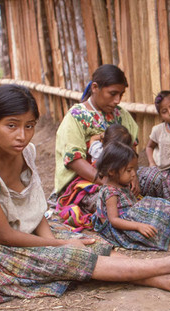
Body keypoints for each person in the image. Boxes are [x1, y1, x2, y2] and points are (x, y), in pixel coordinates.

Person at [0, 84, 170, 307]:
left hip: (15, 228)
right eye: (11, 125)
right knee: (67, 257)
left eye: (30, 125)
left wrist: (57, 240)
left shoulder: (25, 152)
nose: (22, 136)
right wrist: (58, 246)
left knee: (88, 243)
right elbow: (4, 236)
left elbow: (34, 209)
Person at [54, 64, 139, 229]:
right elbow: (74, 160)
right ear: (95, 88)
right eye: (113, 94)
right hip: (85, 182)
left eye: (121, 95)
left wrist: (133, 176)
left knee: (154, 177)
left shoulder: (122, 115)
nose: (117, 100)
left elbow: (132, 151)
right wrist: (108, 183)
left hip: (122, 176)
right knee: (111, 202)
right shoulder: (76, 116)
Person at [94, 141, 170, 250]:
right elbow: (114, 220)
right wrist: (139, 226)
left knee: (157, 210)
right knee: (150, 204)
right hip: (121, 230)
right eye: (129, 170)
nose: (134, 174)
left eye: (133, 169)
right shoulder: (110, 192)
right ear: (112, 171)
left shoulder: (122, 184)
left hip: (131, 219)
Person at [57, 124, 134, 230]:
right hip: (97, 180)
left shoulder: (98, 148)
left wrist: (102, 136)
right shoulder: (100, 152)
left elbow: (93, 138)